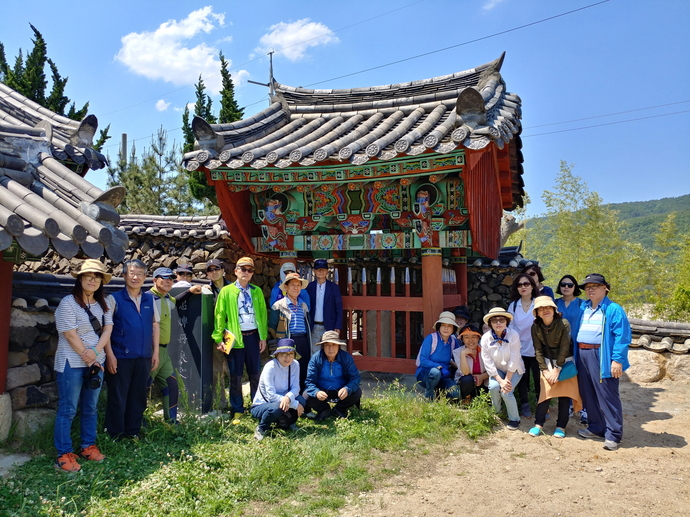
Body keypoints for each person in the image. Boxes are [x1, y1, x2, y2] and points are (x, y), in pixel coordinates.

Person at [53, 260, 113, 472]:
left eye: (97, 276)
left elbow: (107, 331)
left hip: (96, 362)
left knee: (90, 407)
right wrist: (90, 358)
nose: (92, 279)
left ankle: (88, 446)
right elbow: (70, 334)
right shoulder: (67, 303)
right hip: (71, 363)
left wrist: (96, 353)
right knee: (68, 409)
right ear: (79, 278)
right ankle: (63, 454)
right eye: (88, 275)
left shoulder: (103, 304)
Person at [104, 259, 160, 440]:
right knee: (118, 396)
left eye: (139, 274)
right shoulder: (114, 299)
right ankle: (115, 434)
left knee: (138, 396)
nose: (135, 277)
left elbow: (155, 326)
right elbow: (107, 329)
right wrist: (110, 355)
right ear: (124, 275)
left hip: (143, 355)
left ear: (145, 277)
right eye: (131, 273)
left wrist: (155, 352)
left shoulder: (150, 299)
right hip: (120, 357)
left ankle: (132, 431)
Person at [575, 274, 631, 451]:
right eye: (587, 287)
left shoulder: (613, 309)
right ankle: (595, 427)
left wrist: (617, 360)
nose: (590, 289)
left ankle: (613, 434)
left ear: (605, 288)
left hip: (601, 354)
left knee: (607, 394)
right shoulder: (584, 307)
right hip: (582, 352)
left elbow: (622, 337)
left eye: (595, 286)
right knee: (588, 393)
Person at [213, 257, 268, 425]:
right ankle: (237, 409)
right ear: (236, 271)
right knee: (235, 375)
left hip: (253, 336)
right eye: (243, 269)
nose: (246, 272)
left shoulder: (256, 291)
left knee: (255, 374)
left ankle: (257, 406)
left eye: (250, 270)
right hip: (233, 337)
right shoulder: (226, 291)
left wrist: (263, 337)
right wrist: (218, 337)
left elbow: (263, 314)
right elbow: (219, 315)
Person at [148, 267, 202, 422]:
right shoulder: (147, 298)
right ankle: (138, 421)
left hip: (164, 352)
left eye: (171, 278)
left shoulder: (166, 298)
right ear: (154, 280)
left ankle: (171, 420)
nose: (168, 281)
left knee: (172, 385)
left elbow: (176, 302)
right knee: (143, 387)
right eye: (163, 278)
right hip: (151, 351)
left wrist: (190, 291)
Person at [528, 296, 582, 439]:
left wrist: (557, 369)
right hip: (546, 361)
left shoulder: (564, 323)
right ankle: (538, 424)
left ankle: (561, 426)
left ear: (554, 309)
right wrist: (545, 370)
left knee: (564, 396)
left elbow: (565, 347)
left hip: (564, 361)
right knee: (545, 394)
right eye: (541, 308)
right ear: (537, 313)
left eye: (548, 307)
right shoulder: (535, 327)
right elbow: (538, 350)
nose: (545, 310)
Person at [250, 339, 306, 441]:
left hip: (284, 400)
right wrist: (294, 404)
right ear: (277, 355)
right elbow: (270, 396)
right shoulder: (270, 367)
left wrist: (288, 398)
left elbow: (296, 387)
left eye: (290, 354)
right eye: (284, 354)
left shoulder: (295, 364)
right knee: (277, 407)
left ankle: (289, 422)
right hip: (263, 404)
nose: (287, 357)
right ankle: (261, 428)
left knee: (302, 401)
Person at [481, 307, 524, 430]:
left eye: (501, 320)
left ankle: (514, 418)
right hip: (497, 370)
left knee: (506, 392)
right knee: (494, 387)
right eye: (494, 320)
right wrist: (500, 380)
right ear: (490, 323)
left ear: (507, 322)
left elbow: (514, 358)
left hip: (514, 369)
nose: (498, 323)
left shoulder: (513, 335)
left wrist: (507, 380)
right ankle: (497, 412)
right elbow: (487, 361)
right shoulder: (485, 338)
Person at [305, 330, 362, 420]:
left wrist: (347, 388)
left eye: (334, 345)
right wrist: (316, 392)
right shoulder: (316, 359)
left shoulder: (346, 358)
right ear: (323, 346)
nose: (330, 348)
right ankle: (324, 409)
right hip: (322, 390)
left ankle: (339, 409)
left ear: (338, 346)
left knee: (356, 392)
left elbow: (355, 378)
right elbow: (309, 381)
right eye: (327, 345)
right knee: (306, 395)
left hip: (341, 390)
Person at [269, 272, 312, 391]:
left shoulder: (303, 305)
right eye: (293, 285)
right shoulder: (278, 306)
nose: (296, 288)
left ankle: (303, 398)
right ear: (286, 287)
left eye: (298, 285)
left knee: (303, 369)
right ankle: (288, 397)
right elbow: (272, 327)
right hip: (287, 341)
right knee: (288, 369)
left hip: (303, 340)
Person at [555, 274, 587, 424]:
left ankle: (584, 408)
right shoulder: (554, 304)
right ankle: (567, 406)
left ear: (575, 287)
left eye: (570, 285)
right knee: (566, 376)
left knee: (582, 377)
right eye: (563, 284)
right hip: (560, 347)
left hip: (578, 346)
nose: (566, 287)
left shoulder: (583, 304)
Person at [508, 273, 539, 418]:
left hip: (538, 348)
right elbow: (510, 327)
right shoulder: (514, 306)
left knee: (539, 378)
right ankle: (525, 404)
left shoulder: (538, 303)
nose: (523, 287)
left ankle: (542, 404)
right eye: (520, 285)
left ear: (533, 286)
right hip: (519, 348)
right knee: (522, 378)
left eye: (526, 284)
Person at [415, 311, 461, 401]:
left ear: (453, 329)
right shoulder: (431, 338)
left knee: (456, 393)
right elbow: (423, 360)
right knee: (435, 372)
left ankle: (440, 396)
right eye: (443, 325)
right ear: (439, 326)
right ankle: (429, 395)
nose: (446, 328)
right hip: (426, 374)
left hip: (443, 376)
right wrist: (438, 367)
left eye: (449, 326)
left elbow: (459, 357)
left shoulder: (453, 341)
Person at [205, 258, 231, 409]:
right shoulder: (206, 291)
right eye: (210, 270)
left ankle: (237, 403)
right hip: (216, 335)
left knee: (233, 370)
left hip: (232, 334)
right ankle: (221, 403)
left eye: (217, 269)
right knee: (217, 371)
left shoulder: (233, 288)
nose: (214, 272)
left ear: (223, 270)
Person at [306, 259, 343, 352]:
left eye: (323, 269)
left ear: (327, 271)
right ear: (314, 271)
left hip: (329, 326)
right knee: (314, 353)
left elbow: (339, 308)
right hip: (313, 326)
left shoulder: (334, 288)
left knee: (329, 352)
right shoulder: (310, 287)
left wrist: (338, 326)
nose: (321, 271)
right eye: (318, 269)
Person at [453, 325, 488, 401]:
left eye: (474, 337)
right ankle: (466, 400)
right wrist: (463, 354)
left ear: (478, 338)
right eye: (466, 337)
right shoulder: (457, 352)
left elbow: (492, 369)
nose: (470, 340)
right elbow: (465, 372)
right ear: (462, 339)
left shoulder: (485, 350)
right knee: (467, 379)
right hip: (466, 384)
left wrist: (482, 376)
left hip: (483, 381)